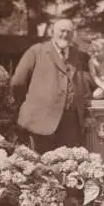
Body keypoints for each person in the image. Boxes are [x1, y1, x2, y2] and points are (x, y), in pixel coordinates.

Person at [10, 18, 91, 154]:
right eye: (62, 31)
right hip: (41, 119)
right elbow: (18, 83)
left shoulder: (77, 55)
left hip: (70, 122)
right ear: (53, 31)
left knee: (67, 165)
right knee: (40, 165)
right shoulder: (37, 51)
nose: (65, 35)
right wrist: (30, 104)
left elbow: (82, 84)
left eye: (69, 32)